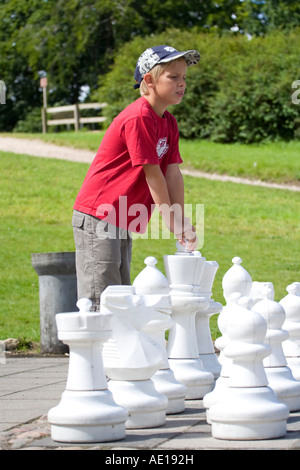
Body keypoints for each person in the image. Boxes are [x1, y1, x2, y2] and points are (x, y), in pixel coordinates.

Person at [72, 45, 201, 311]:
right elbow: (152, 172)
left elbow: (172, 172)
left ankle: (116, 350)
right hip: (99, 214)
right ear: (149, 81)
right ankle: (97, 351)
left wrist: (181, 218)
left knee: (120, 294)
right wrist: (171, 222)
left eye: (184, 77)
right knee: (103, 296)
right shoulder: (139, 116)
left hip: (121, 216)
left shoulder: (168, 122)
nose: (182, 84)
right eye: (173, 77)